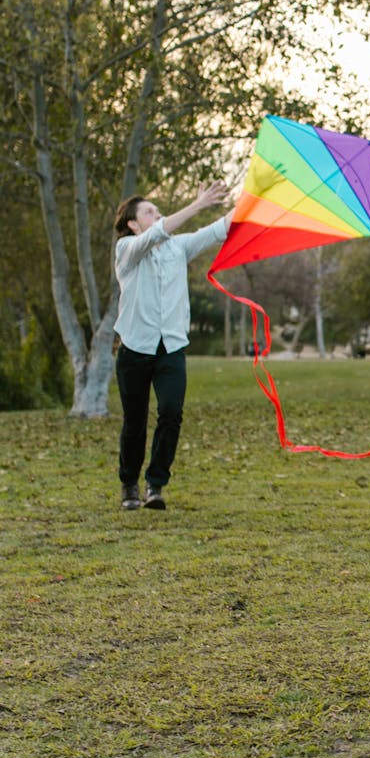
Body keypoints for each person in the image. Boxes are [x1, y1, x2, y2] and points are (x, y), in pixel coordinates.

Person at [113, 181, 233, 511]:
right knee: (134, 421)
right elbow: (156, 234)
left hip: (171, 348)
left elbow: (219, 229)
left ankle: (155, 484)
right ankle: (129, 485)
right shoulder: (126, 249)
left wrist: (260, 198)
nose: (157, 214)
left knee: (171, 412)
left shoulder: (178, 247)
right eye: (149, 212)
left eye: (157, 209)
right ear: (133, 224)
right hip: (134, 349)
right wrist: (198, 204)